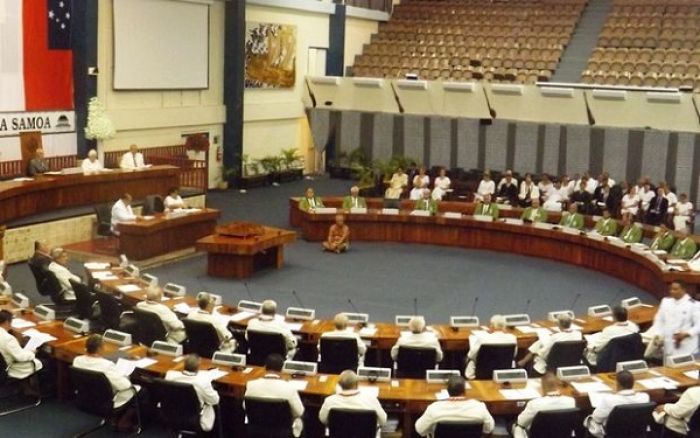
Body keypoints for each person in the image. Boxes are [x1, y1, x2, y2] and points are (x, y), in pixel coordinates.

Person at [245, 354, 305, 437]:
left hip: (256, 431)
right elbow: (300, 411)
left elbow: (245, 407)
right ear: (282, 369)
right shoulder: (289, 388)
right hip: (282, 433)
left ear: (265, 367)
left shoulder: (251, 385)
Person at [73, 335, 140, 409]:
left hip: (84, 399)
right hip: (103, 403)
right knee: (142, 392)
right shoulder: (106, 365)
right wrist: (124, 375)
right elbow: (125, 386)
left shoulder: (77, 360)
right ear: (99, 348)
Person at [415, 375, 495, 437]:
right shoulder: (479, 407)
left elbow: (420, 430)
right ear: (464, 391)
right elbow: (489, 429)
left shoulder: (434, 409)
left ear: (448, 391)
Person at [584, 370, 650, 437]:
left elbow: (597, 418)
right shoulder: (644, 397)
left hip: (614, 434)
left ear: (618, 384)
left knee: (589, 422)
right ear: (633, 383)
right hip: (637, 433)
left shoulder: (609, 400)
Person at [318, 370, 387, 434]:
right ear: (357, 383)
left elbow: (323, 419)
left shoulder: (329, 401)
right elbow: (383, 421)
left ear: (339, 384)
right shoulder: (371, 400)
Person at [165, 354, 220, 432]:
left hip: (173, 414)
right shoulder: (203, 382)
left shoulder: (170, 375)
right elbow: (215, 401)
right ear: (198, 367)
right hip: (196, 418)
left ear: (184, 365)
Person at [512, 373, 576, 438]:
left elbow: (521, 423)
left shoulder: (534, 403)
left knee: (516, 426)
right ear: (558, 386)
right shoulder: (571, 401)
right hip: (562, 435)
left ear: (542, 386)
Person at [648, 281, 700, 358]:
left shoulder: (694, 305)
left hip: (686, 347)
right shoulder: (666, 301)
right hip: (668, 345)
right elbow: (659, 320)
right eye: (671, 289)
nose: (672, 291)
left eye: (675, 289)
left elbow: (698, 325)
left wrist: (687, 334)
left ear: (683, 290)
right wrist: (657, 334)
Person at [517, 314, 582, 375]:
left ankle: (523, 362)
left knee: (539, 345)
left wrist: (537, 352)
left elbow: (544, 354)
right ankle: (523, 361)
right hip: (570, 363)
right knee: (540, 343)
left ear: (559, 324)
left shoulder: (555, 337)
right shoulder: (578, 334)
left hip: (552, 364)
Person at [465, 315, 517, 379]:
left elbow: (471, 355)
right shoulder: (513, 338)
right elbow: (514, 355)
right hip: (502, 374)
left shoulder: (483, 339)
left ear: (492, 326)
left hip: (481, 373)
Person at [0, 310, 43, 380]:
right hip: (14, 368)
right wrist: (32, 352)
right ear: (7, 322)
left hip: (4, 365)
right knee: (46, 364)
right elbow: (21, 357)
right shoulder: (8, 338)